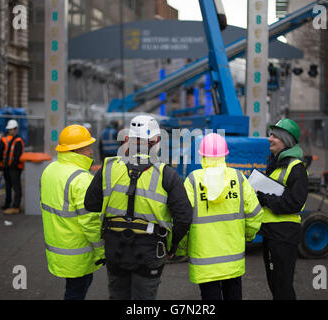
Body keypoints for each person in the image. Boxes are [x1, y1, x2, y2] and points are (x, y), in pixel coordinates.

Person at [84, 115, 192, 300]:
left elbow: (90, 204)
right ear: (156, 141)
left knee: (117, 296)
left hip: (114, 248)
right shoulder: (166, 174)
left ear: (128, 140)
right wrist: (173, 246)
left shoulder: (108, 167)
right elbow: (183, 217)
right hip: (150, 250)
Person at [183, 133, 263, 300]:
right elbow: (255, 213)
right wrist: (248, 235)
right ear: (225, 155)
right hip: (233, 258)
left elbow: (182, 220)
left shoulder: (192, 180)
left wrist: (181, 247)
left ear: (202, 155)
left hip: (204, 260)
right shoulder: (239, 178)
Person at [40, 124, 105, 300]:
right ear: (77, 149)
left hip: (57, 248)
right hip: (78, 252)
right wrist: (102, 252)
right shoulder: (82, 179)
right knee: (76, 293)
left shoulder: (49, 170)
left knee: (74, 290)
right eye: (88, 147)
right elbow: (90, 223)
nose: (91, 152)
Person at [255, 118, 309, 300]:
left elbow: (295, 203)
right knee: (275, 285)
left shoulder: (296, 168)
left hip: (284, 235)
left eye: (274, 136)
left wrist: (263, 197)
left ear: (286, 140)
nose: (269, 139)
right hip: (272, 234)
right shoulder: (277, 164)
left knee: (282, 287)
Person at [0, 120, 24, 214]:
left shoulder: (13, 140)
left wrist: (3, 163)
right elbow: (0, 152)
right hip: (10, 167)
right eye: (10, 129)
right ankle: (11, 205)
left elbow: (1, 152)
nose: (11, 131)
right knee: (10, 186)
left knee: (15, 187)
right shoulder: (17, 140)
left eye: (11, 129)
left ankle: (15, 206)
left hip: (13, 168)